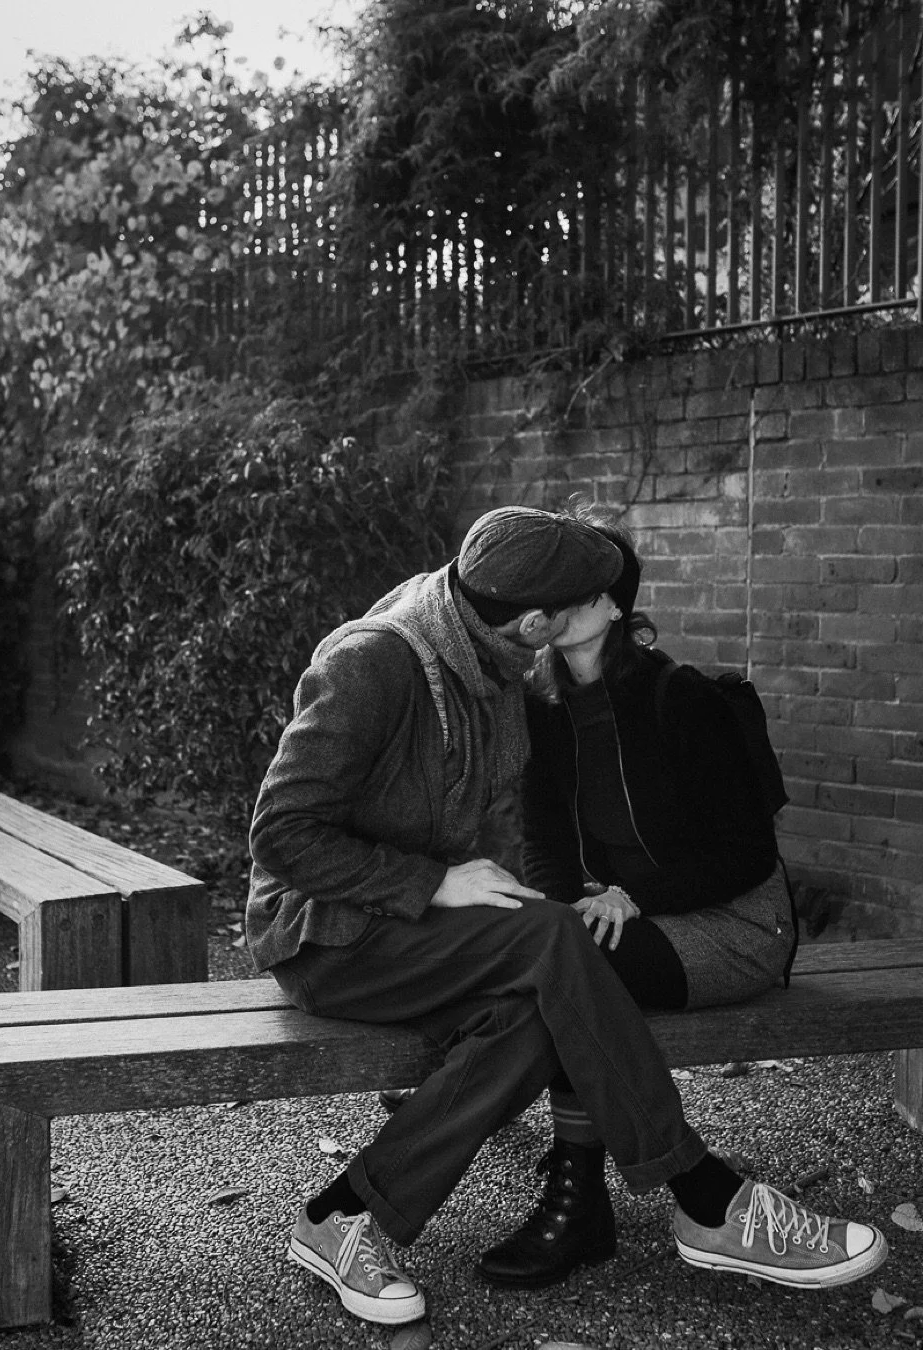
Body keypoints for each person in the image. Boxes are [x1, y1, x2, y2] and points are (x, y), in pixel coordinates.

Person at [245, 505, 885, 1328]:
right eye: (588, 595)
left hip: (406, 930)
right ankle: (706, 1194)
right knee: (555, 940)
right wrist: (435, 882)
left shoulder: (492, 653)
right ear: (537, 620)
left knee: (540, 1009)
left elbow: (542, 831)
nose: (611, 605)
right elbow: (279, 835)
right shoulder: (378, 663)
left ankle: (342, 1214)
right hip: (329, 936)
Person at [476, 502, 800, 1289]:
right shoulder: (541, 706)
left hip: (736, 923)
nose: (552, 604)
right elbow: (546, 841)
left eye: (576, 588)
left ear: (618, 602)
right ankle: (599, 1199)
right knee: (548, 950)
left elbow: (746, 853)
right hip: (620, 913)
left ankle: (580, 1197)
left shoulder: (682, 699)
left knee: (574, 967)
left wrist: (629, 895)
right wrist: (562, 908)